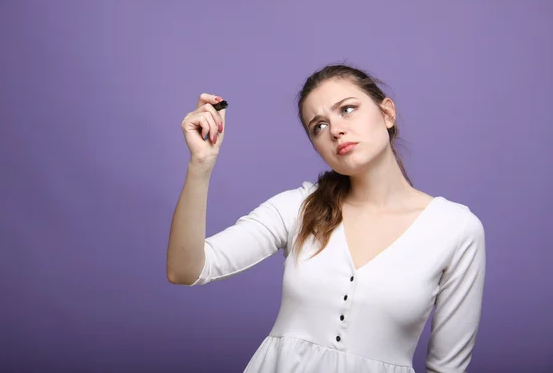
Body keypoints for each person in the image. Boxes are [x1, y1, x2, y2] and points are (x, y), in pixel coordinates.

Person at [166, 63, 486, 373]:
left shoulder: (455, 229)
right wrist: (201, 164)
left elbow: (446, 368)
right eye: (318, 126)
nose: (335, 130)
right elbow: (186, 270)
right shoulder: (298, 208)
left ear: (387, 113)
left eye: (347, 109)